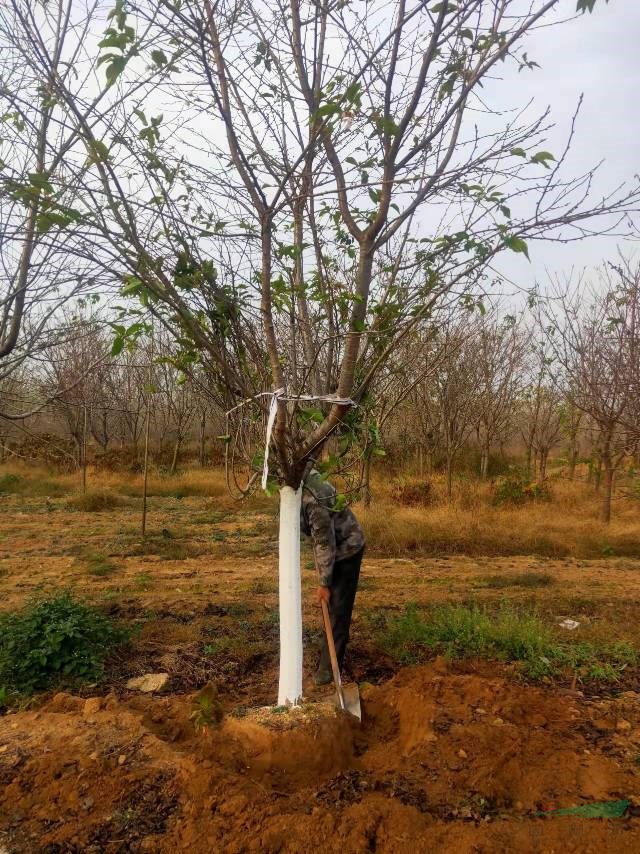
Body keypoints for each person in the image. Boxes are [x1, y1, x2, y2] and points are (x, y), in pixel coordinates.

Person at [301, 468, 365, 685]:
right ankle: (330, 655)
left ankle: (329, 671)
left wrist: (324, 583)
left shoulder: (313, 499)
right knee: (331, 608)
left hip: (347, 549)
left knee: (338, 611)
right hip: (333, 546)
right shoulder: (298, 481)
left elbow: (325, 543)